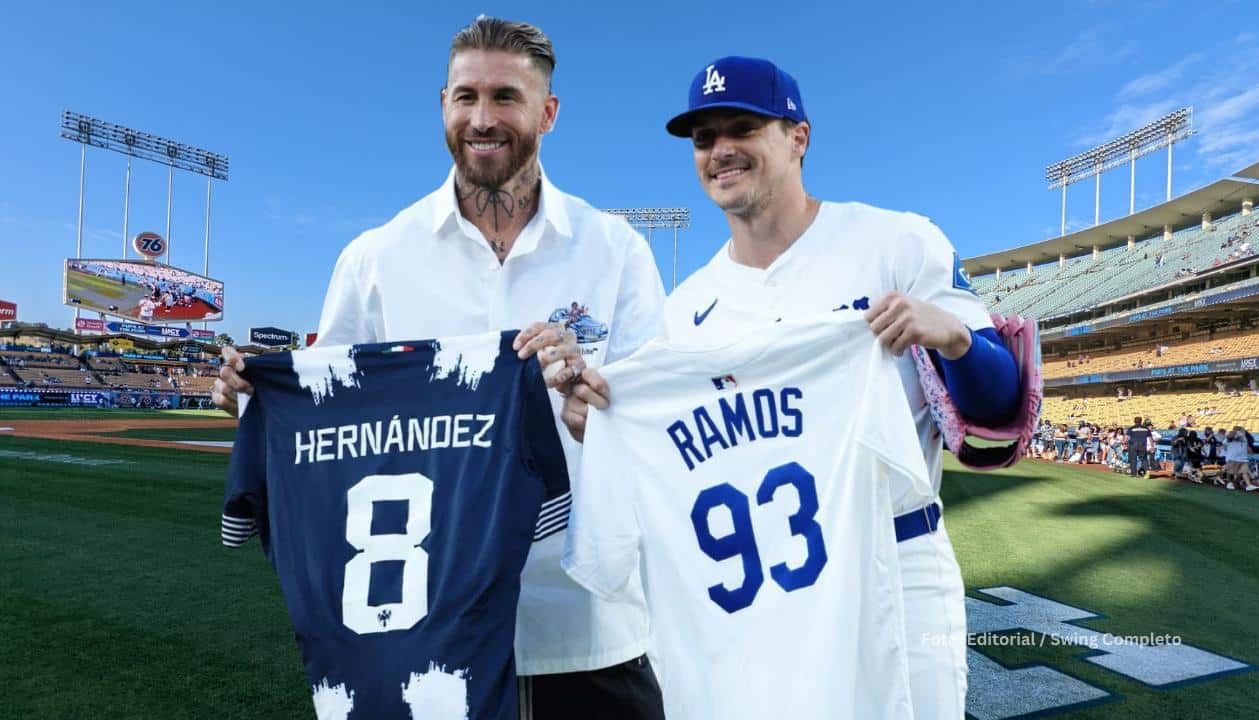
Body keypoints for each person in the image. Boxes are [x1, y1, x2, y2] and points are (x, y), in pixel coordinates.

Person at [212, 17, 665, 718]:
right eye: (466, 97)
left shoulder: (616, 251)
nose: (483, 119)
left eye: (506, 97)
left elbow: (660, 430)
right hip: (426, 642)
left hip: (585, 627)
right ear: (443, 105)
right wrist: (252, 399)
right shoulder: (376, 258)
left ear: (547, 112)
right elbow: (327, 423)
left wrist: (595, 415)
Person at [562, 56, 1022, 719]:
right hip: (752, 590)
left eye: (742, 128)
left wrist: (953, 339)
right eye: (703, 138)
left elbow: (1001, 403)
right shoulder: (684, 312)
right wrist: (603, 423)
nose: (720, 150)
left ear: (798, 136)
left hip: (896, 559)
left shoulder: (895, 241)